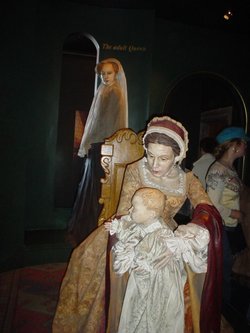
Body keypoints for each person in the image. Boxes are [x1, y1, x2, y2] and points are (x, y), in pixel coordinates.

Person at [52, 116, 222, 333]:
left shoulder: (187, 179)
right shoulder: (136, 169)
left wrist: (182, 238)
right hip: (134, 227)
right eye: (150, 155)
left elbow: (207, 209)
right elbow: (125, 211)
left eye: (163, 158)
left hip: (167, 235)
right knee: (92, 261)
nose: (154, 164)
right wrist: (144, 248)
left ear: (177, 156)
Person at [105, 187, 210, 333]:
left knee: (149, 317)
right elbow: (133, 233)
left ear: (152, 213)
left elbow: (150, 262)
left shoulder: (159, 236)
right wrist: (118, 228)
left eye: (134, 208)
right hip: (144, 281)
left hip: (157, 286)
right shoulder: (145, 224)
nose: (129, 210)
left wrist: (134, 259)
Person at [68, 58, 128, 246]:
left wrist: (98, 145)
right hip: (98, 145)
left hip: (102, 146)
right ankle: (88, 229)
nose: (105, 76)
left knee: (97, 187)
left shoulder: (114, 92)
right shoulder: (105, 90)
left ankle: (93, 230)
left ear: (116, 73)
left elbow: (107, 123)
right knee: (93, 186)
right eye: (103, 73)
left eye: (109, 73)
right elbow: (96, 121)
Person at [206, 126, 249, 305]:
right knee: (222, 273)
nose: (246, 146)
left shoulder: (230, 169)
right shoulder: (218, 171)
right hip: (221, 228)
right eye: (244, 143)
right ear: (234, 145)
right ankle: (220, 313)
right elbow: (211, 204)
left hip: (231, 227)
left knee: (229, 271)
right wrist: (235, 212)